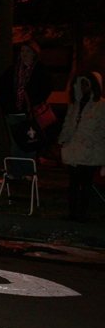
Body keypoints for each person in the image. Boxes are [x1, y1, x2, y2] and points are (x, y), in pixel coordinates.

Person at [0, 41, 52, 179]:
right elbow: (2, 90)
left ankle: (28, 172)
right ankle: (16, 171)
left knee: (29, 142)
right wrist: (7, 106)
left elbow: (46, 88)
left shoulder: (39, 69)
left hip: (28, 113)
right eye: (22, 51)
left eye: (28, 51)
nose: (25, 54)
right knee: (15, 143)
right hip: (13, 112)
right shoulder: (13, 70)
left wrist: (33, 101)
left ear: (34, 53)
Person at [58, 72, 105, 222]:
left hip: (89, 151)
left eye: (87, 84)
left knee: (85, 183)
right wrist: (63, 139)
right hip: (73, 149)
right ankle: (73, 213)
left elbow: (102, 128)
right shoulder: (75, 104)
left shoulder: (101, 105)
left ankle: (82, 214)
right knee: (73, 183)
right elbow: (67, 123)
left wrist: (89, 142)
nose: (84, 88)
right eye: (82, 84)